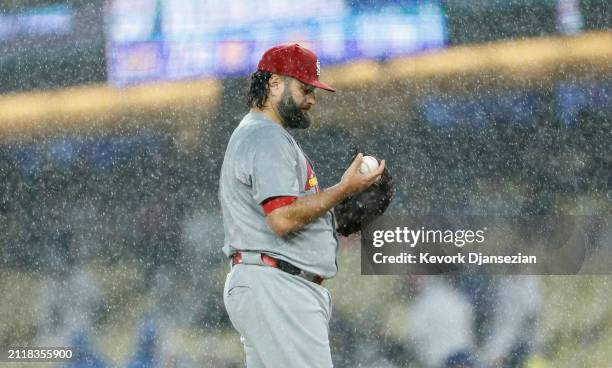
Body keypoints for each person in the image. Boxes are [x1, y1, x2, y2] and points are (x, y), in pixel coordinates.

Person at [219, 43, 385, 368]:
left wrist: (336, 217)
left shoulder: (261, 134)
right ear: (274, 84)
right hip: (278, 286)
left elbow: (287, 214)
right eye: (305, 88)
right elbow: (281, 218)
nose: (311, 99)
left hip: (270, 282)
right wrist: (343, 189)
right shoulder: (266, 137)